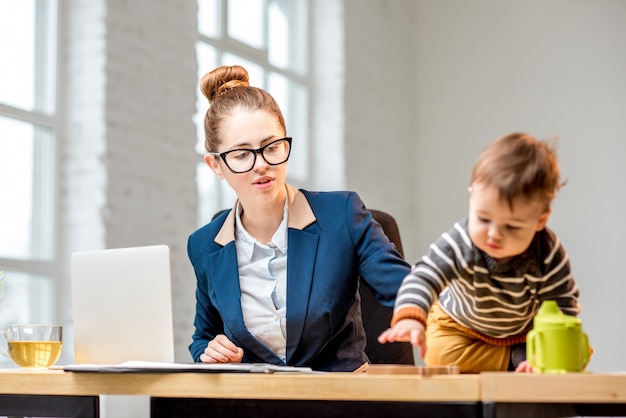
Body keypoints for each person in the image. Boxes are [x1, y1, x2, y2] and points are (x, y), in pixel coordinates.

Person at [187, 65, 411, 372]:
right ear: (216, 165)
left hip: (340, 399)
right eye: (241, 154)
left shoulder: (341, 215)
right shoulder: (205, 245)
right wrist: (210, 350)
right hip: (256, 403)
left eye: (272, 147)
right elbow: (203, 336)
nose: (261, 165)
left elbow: (406, 289)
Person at [378, 132, 584, 373]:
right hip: (459, 326)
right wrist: (411, 317)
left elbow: (561, 305)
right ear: (472, 195)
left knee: (577, 350)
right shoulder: (461, 242)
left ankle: (525, 357)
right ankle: (513, 362)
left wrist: (548, 349)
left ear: (541, 220)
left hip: (523, 332)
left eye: (512, 226)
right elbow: (424, 275)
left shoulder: (547, 253)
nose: (494, 234)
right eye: (483, 219)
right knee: (439, 354)